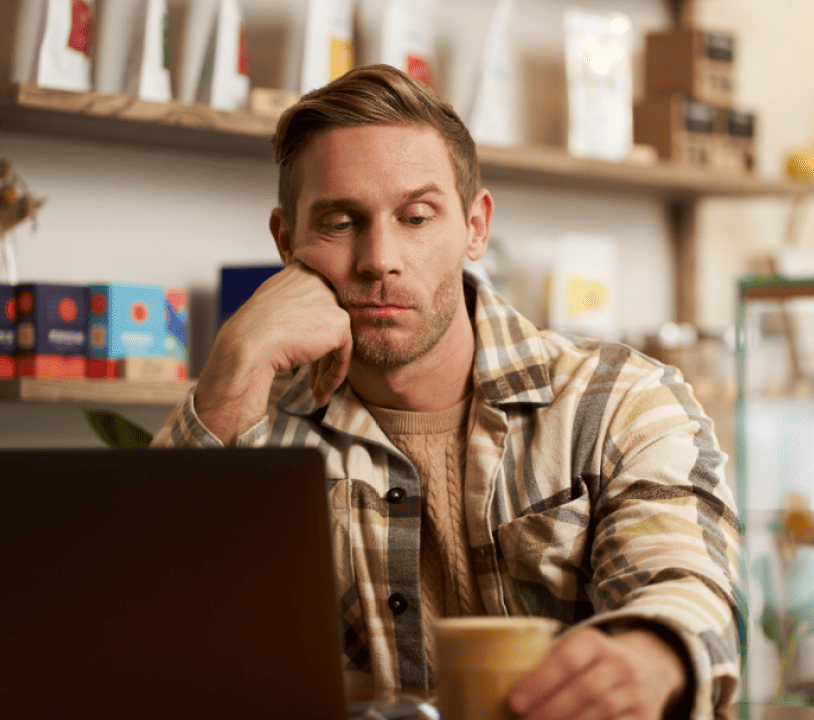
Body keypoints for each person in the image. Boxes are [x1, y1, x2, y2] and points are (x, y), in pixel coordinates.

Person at [154, 64, 741, 720]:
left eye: (415, 216)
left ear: (475, 227)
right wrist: (233, 368)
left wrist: (651, 656)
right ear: (287, 242)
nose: (379, 257)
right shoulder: (250, 425)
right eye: (341, 221)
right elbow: (138, 632)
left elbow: (684, 586)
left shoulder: (618, 403)